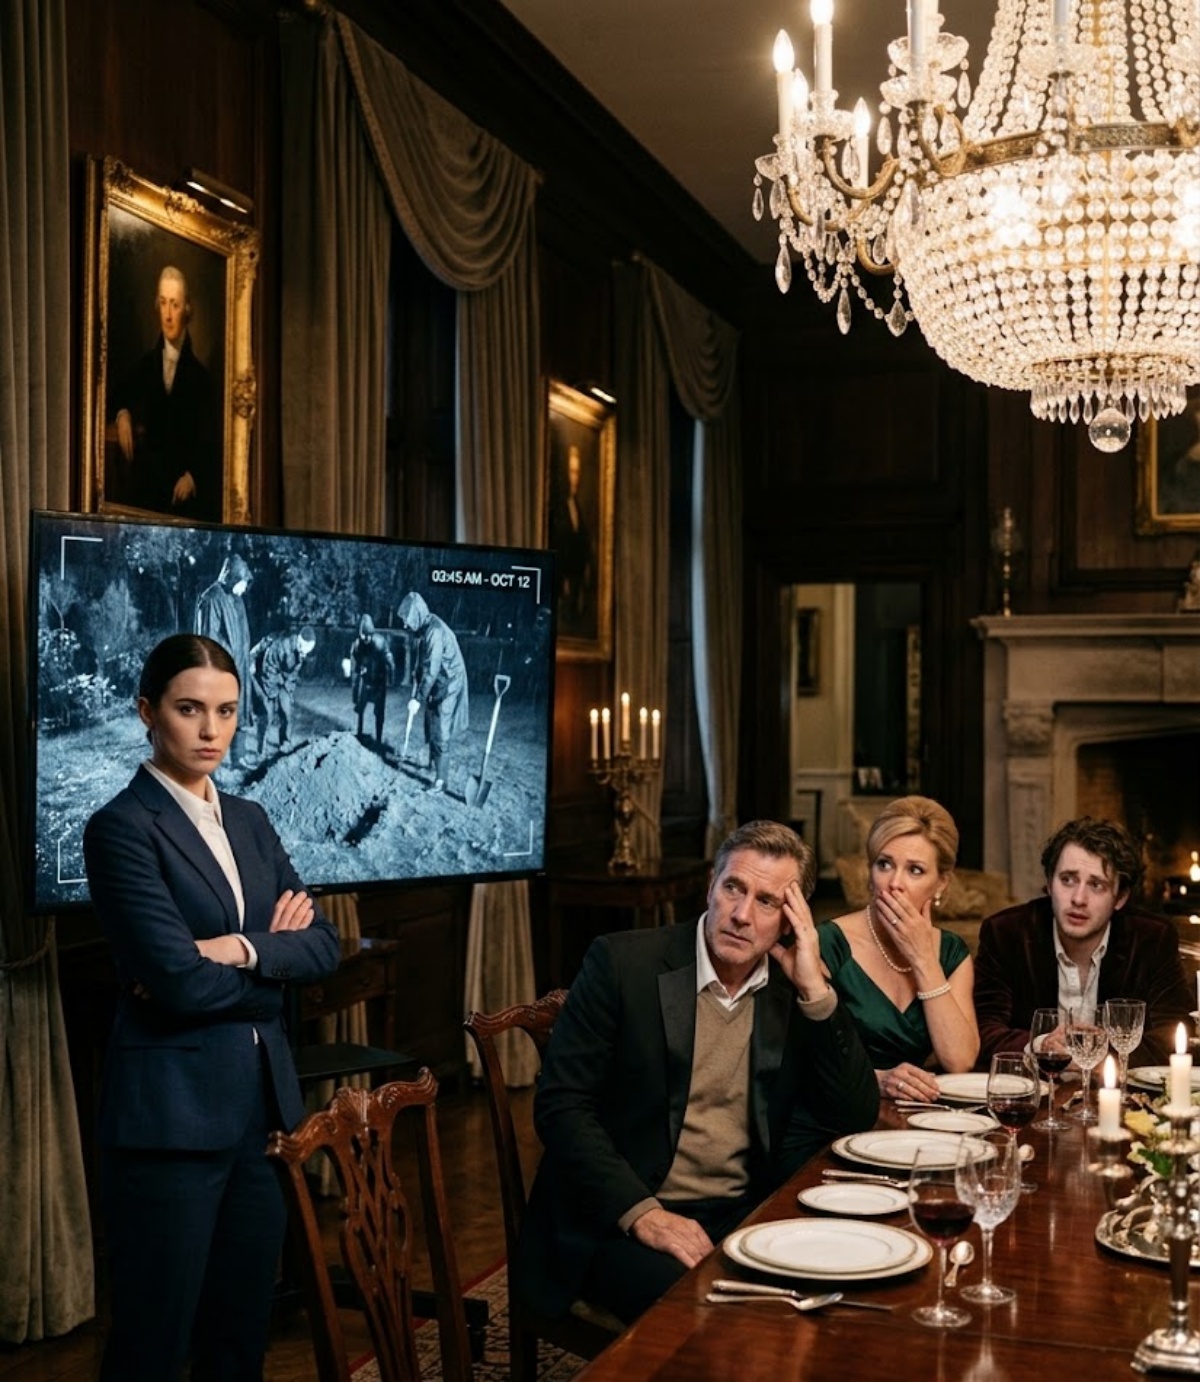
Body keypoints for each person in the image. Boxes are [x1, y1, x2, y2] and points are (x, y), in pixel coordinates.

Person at [82, 634, 340, 1381]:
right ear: (147, 712)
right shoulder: (121, 828)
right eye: (189, 709)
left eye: (226, 711)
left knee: (239, 1341)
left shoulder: (251, 819)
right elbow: (179, 982)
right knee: (153, 1347)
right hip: (172, 1123)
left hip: (263, 1119)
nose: (211, 730)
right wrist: (271, 958)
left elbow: (323, 946)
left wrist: (236, 948)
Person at [513, 820, 880, 1326]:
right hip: (620, 1218)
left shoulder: (791, 988)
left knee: (841, 1295)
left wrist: (815, 991)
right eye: (733, 888)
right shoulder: (622, 964)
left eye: (767, 902)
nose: (741, 915)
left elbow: (854, 1114)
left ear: (791, 920)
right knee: (722, 1316)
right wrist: (643, 1213)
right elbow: (561, 1107)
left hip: (740, 1211)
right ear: (711, 884)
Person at [974, 816, 1192, 1066]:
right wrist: (1041, 1045)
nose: (1078, 899)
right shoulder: (1006, 933)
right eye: (1067, 879)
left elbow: (1176, 1033)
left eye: (1096, 885)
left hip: (1116, 1087)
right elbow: (982, 1030)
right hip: (1036, 1086)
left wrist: (1100, 1056)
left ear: (1120, 897)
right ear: (1049, 883)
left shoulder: (1152, 938)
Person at [818, 795, 979, 1103]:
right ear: (870, 871)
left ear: (941, 884)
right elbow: (801, 1062)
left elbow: (959, 1061)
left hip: (915, 1115)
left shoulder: (951, 953)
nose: (894, 883)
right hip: (838, 1110)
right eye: (884, 864)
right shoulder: (829, 943)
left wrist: (923, 958)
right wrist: (876, 1080)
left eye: (915, 870)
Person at [109, 265, 220, 522]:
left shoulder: (202, 379)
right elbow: (118, 393)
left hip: (185, 501)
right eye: (163, 303)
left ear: (187, 309)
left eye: (175, 305)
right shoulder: (146, 365)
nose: (168, 315)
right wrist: (123, 413)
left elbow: (211, 444)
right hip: (148, 494)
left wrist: (193, 477)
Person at [397, 591, 468, 794]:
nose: (405, 625)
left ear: (416, 615)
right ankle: (432, 763)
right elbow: (425, 662)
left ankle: (441, 782)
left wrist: (417, 699)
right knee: (430, 720)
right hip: (439, 679)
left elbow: (432, 669)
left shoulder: (434, 632)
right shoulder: (425, 627)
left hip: (449, 681)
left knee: (440, 726)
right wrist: (417, 674)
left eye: (407, 620)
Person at [194, 553, 253, 762]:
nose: (244, 589)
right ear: (232, 577)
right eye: (242, 583)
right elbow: (209, 638)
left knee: (240, 711)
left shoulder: (236, 599)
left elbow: (243, 635)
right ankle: (211, 765)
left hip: (240, 667)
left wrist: (246, 660)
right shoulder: (211, 599)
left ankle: (239, 758)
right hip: (221, 670)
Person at [248, 626, 316, 762]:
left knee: (287, 712)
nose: (304, 654)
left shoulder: (301, 651)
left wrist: (288, 690)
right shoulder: (282, 645)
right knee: (267, 715)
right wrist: (272, 692)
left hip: (284, 680)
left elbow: (293, 673)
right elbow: (268, 666)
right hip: (269, 676)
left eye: (307, 651)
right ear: (299, 641)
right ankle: (261, 752)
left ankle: (285, 744)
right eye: (304, 649)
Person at [550, 442, 595, 635]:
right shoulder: (557, 507)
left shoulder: (577, 506)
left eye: (577, 472)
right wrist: (562, 579)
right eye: (571, 472)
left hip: (576, 586)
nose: (574, 478)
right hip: (561, 585)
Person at [347, 613, 394, 744]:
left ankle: (378, 739)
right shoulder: (357, 645)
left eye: (369, 635)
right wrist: (355, 686)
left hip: (379, 681)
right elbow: (355, 666)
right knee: (360, 707)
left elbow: (390, 661)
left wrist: (391, 678)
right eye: (364, 635)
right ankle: (359, 734)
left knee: (379, 712)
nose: (366, 638)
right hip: (365, 679)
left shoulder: (380, 643)